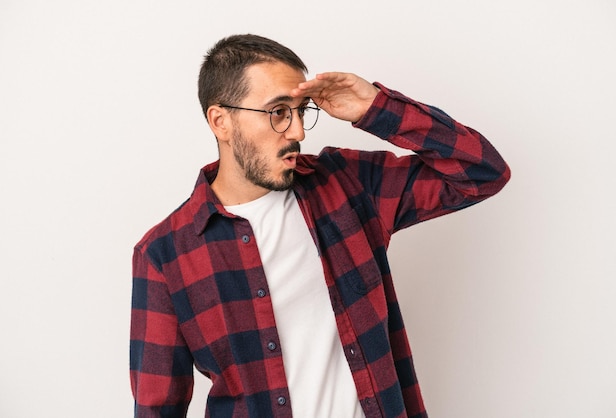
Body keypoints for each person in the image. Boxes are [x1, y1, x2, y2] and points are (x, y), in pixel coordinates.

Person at [130, 34, 510, 418]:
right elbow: (157, 408)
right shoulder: (165, 255)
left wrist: (376, 108)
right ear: (221, 121)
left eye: (301, 110)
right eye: (278, 111)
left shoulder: (346, 186)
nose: (298, 131)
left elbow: (482, 172)